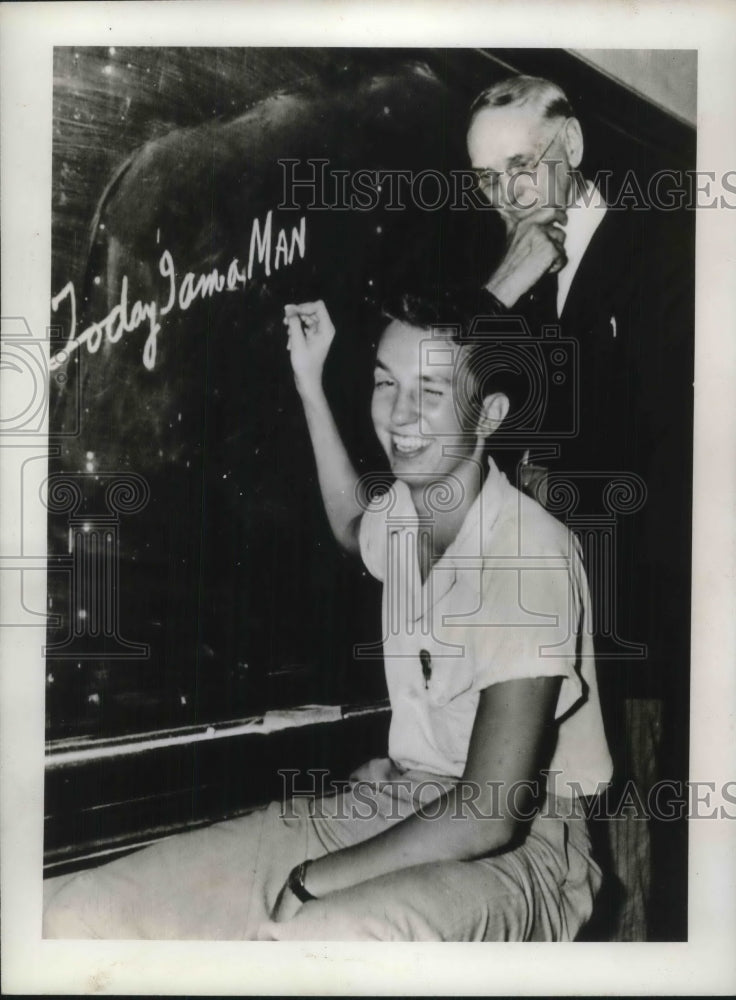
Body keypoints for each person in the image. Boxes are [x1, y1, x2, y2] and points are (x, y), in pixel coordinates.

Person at [43, 289, 611, 941]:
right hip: (402, 803)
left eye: (429, 393)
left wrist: (314, 878)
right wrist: (310, 382)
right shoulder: (407, 508)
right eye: (383, 383)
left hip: (527, 846)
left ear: (489, 415)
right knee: (86, 908)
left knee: (324, 936)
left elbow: (490, 813)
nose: (399, 415)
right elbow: (350, 525)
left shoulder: (527, 552)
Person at [466, 75, 694, 938]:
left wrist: (547, 481)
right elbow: (441, 409)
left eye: (520, 167)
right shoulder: (509, 276)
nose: (506, 195)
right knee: (579, 872)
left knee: (641, 872)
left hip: (643, 631)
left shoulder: (669, 248)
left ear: (572, 152)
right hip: (550, 636)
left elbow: (668, 451)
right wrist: (501, 293)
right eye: (486, 179)